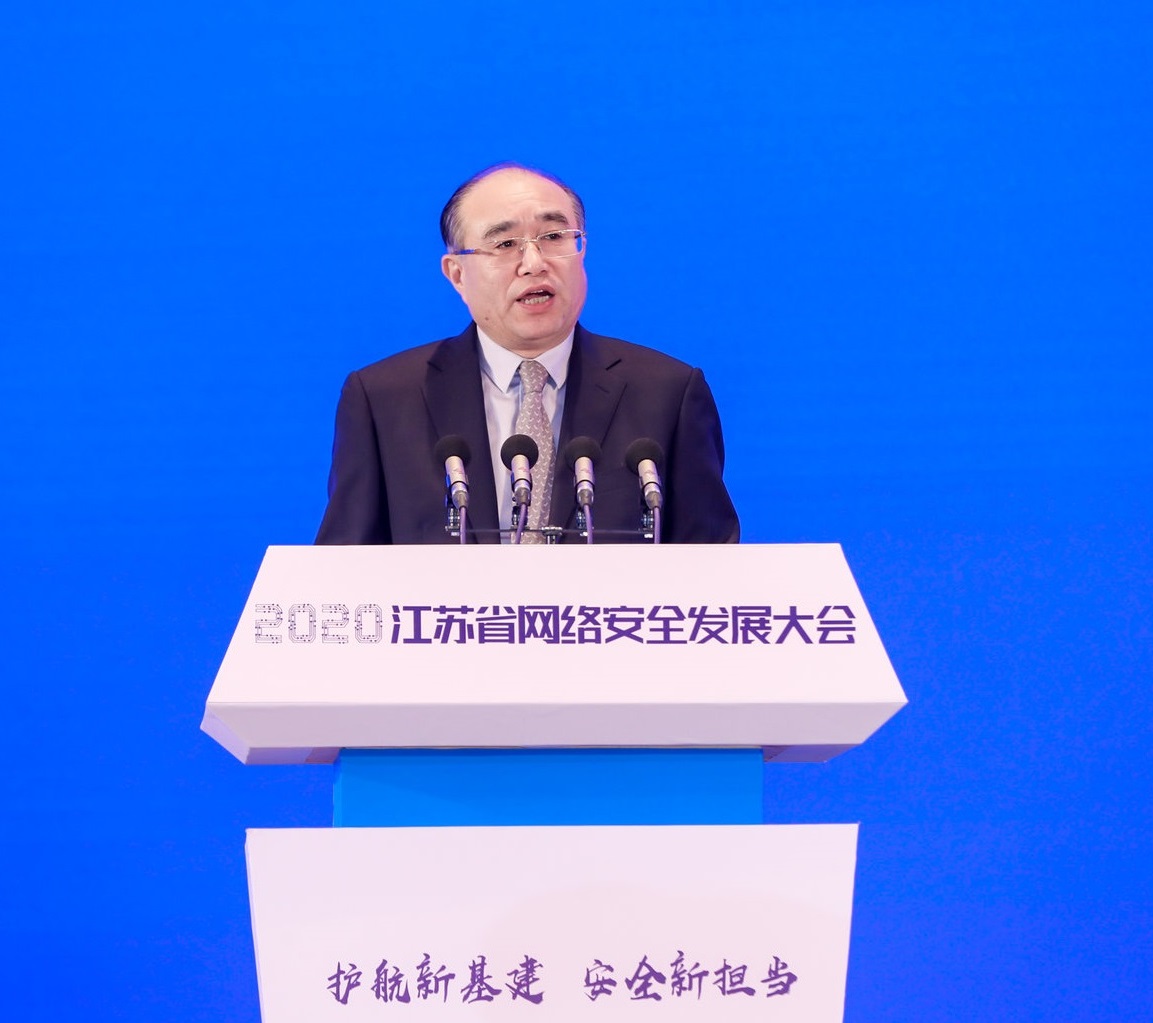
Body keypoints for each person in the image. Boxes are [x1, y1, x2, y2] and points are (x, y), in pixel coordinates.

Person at [315, 163, 739, 545]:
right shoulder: (384, 400)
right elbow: (342, 570)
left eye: (554, 237)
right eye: (505, 244)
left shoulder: (668, 394)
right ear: (457, 274)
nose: (534, 262)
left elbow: (714, 567)